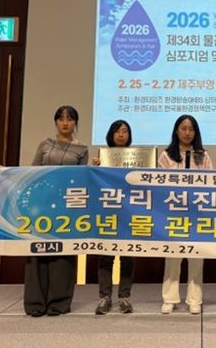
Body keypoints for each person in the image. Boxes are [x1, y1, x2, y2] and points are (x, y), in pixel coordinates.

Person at [23, 105, 89, 316]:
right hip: (41, 206)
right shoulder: (45, 144)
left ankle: (59, 303)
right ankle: (35, 303)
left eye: (70, 119)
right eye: (61, 119)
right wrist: (2, 172)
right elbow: (31, 173)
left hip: (66, 207)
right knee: (37, 252)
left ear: (75, 123)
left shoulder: (82, 149)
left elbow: (81, 179)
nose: (65, 123)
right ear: (56, 122)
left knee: (63, 254)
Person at [158, 115, 213, 315]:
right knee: (172, 257)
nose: (187, 133)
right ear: (176, 131)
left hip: (197, 213)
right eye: (183, 128)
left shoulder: (203, 156)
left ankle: (194, 299)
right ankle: (169, 298)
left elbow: (211, 183)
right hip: (173, 213)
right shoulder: (166, 156)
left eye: (191, 129)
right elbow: (159, 184)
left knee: (196, 257)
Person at [91, 120, 136, 315]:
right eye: (117, 131)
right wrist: (95, 168)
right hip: (107, 211)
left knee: (128, 256)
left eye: (125, 131)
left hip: (129, 212)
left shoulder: (137, 158)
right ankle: (105, 297)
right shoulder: (102, 157)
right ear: (111, 134)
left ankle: (124, 297)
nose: (121, 135)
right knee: (105, 256)